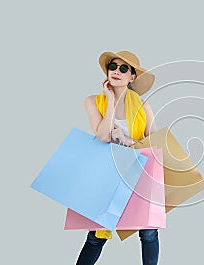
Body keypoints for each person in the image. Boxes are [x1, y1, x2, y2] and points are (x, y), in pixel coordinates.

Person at [76, 50, 159, 265]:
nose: (117, 71)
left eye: (124, 69)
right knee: (96, 236)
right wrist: (111, 100)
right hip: (107, 175)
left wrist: (131, 143)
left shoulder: (144, 107)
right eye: (113, 66)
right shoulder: (94, 101)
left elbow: (154, 145)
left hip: (138, 174)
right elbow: (103, 135)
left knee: (149, 232)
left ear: (132, 77)